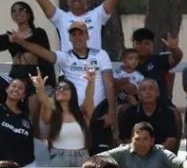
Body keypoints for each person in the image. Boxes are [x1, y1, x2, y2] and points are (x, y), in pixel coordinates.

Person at [11, 22, 115, 152]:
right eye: (73, 35)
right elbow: (43, 52)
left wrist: (112, 113)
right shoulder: (65, 56)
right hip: (74, 114)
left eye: (81, 34)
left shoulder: (100, 54)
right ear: (69, 38)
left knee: (100, 156)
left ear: (87, 36)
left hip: (98, 113)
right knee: (77, 150)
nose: (77, 38)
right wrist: (20, 41)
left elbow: (109, 84)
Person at [32, 74, 92, 168]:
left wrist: (91, 81)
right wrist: (40, 89)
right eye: (58, 88)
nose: (61, 90)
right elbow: (46, 102)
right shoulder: (52, 114)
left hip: (82, 160)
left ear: (73, 93)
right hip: (57, 161)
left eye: (66, 88)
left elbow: (89, 99)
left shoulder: (82, 114)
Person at [118, 81, 178, 152]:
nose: (148, 92)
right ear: (139, 95)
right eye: (143, 89)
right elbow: (125, 138)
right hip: (136, 154)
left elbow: (171, 140)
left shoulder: (167, 112)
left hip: (160, 154)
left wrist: (155, 153)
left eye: (151, 89)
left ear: (157, 93)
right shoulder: (130, 112)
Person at [130, 28, 182, 106]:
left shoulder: (159, 60)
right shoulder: (127, 65)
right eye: (139, 43)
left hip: (161, 105)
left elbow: (176, 58)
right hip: (135, 105)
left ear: (152, 45)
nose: (142, 46)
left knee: (175, 113)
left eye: (147, 43)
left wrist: (174, 48)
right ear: (133, 44)